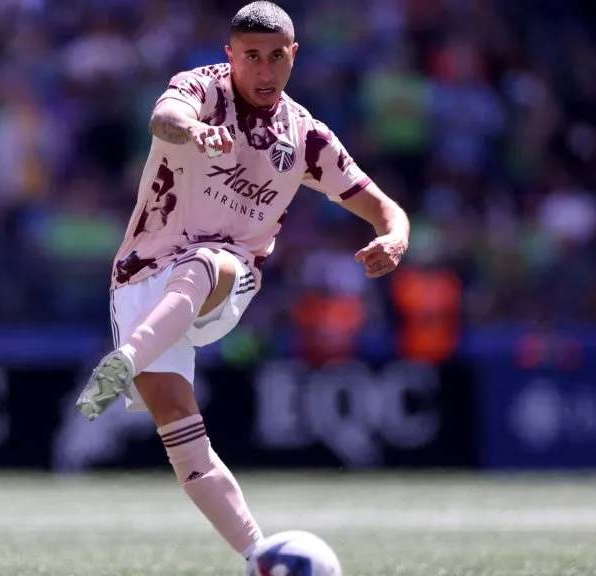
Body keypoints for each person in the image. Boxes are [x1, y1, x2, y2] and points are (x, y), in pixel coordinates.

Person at [75, 0, 410, 563]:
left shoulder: (306, 137)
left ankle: (124, 361)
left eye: (277, 57)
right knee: (185, 441)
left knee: (207, 261)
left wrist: (395, 237)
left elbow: (384, 208)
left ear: (293, 56)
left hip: (225, 282)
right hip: (139, 277)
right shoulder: (202, 89)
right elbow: (163, 119)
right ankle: (261, 557)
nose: (265, 70)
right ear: (229, 55)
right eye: (251, 56)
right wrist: (195, 132)